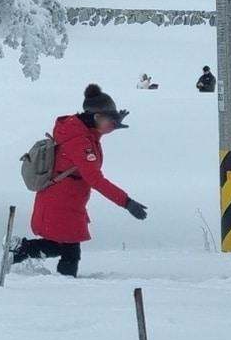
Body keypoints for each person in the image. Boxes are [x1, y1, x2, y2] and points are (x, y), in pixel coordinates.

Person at [11, 84, 148, 277]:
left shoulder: (79, 130)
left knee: (61, 246)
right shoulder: (80, 142)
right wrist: (126, 202)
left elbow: (94, 134)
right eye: (109, 119)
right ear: (97, 117)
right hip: (61, 202)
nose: (111, 124)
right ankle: (62, 284)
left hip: (65, 200)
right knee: (69, 251)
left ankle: (19, 252)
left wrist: (113, 123)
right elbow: (96, 179)